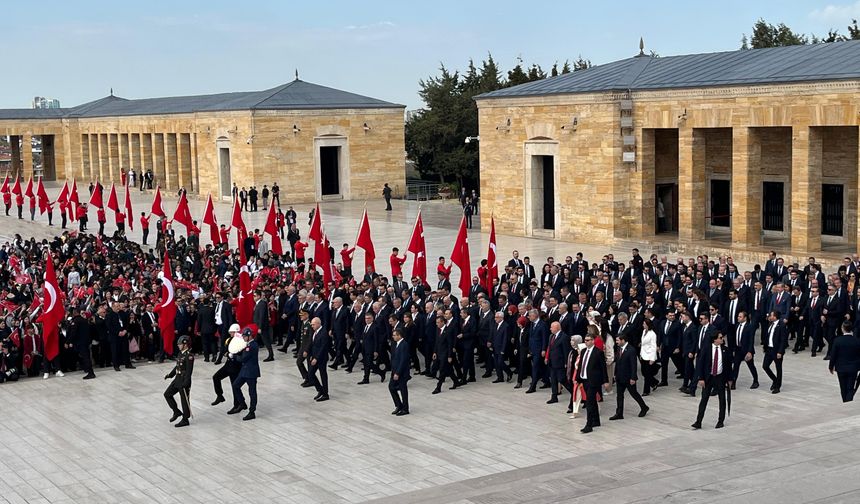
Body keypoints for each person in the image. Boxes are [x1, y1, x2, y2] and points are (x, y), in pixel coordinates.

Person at [691, 332, 731, 430]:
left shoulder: (725, 350)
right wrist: (701, 378)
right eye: (720, 338)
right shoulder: (706, 349)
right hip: (708, 378)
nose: (722, 339)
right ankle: (698, 421)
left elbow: (728, 365)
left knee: (722, 399)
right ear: (715, 339)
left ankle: (720, 421)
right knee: (704, 399)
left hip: (720, 377)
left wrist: (730, 379)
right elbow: (700, 364)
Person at [610, 332, 649, 420]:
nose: (616, 342)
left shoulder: (631, 350)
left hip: (628, 377)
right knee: (619, 395)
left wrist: (633, 377)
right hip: (620, 376)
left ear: (623, 340)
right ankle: (619, 413)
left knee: (634, 393)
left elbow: (633, 365)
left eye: (617, 340)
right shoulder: (619, 348)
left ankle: (644, 407)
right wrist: (615, 374)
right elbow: (618, 362)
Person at [576, 332, 609, 433]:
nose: (586, 342)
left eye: (588, 340)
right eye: (585, 340)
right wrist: (578, 378)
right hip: (584, 379)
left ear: (592, 341)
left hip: (593, 381)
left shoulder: (598, 352)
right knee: (592, 401)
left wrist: (606, 381)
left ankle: (589, 424)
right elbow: (581, 365)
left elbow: (603, 367)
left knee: (589, 402)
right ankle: (596, 421)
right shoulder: (583, 351)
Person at [163, 335, 194, 428]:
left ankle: (185, 419)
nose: (178, 346)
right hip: (177, 379)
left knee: (184, 400)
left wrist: (186, 382)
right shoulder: (181, 353)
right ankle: (176, 412)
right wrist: (170, 375)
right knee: (167, 394)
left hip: (184, 380)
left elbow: (189, 371)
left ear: (185, 344)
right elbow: (177, 366)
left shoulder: (189, 356)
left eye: (180, 344)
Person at [230, 327, 259, 421]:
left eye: (244, 336)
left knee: (252, 392)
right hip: (245, 371)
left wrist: (234, 356)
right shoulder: (248, 345)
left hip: (251, 372)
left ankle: (252, 412)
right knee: (235, 385)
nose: (243, 337)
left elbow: (243, 358)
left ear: (249, 336)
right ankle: (242, 403)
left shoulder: (252, 346)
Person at [829, 320, 860, 402]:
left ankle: (845, 401)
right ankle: (848, 401)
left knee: (843, 387)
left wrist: (831, 366)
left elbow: (833, 355)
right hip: (853, 368)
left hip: (841, 368)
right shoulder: (857, 341)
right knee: (850, 388)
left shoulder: (837, 340)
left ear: (842, 329)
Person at [211, 323, 242, 407]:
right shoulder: (228, 340)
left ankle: (237, 404)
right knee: (216, 377)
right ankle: (220, 395)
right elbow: (224, 350)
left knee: (234, 386)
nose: (230, 333)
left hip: (235, 366)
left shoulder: (240, 341)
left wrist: (232, 354)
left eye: (232, 332)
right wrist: (227, 353)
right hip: (228, 365)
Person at [546, 321, 571, 403]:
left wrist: (566, 363)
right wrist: (547, 357)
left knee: (562, 379)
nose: (550, 329)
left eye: (551, 327)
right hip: (552, 362)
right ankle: (554, 396)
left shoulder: (564, 337)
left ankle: (573, 392)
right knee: (553, 380)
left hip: (560, 363)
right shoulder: (551, 336)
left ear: (556, 328)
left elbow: (566, 351)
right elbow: (550, 348)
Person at [762, 310, 787, 394]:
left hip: (777, 350)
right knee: (765, 366)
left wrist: (780, 351)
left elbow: (783, 340)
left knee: (778, 368)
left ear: (776, 316)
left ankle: (777, 386)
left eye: (772, 315)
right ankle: (775, 380)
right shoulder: (770, 324)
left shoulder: (781, 325)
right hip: (769, 349)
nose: (770, 317)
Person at [308, 316, 331, 402]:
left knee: (323, 375)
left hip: (321, 358)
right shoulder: (315, 332)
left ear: (318, 324)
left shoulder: (323, 333)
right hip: (315, 357)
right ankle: (320, 390)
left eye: (313, 324)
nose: (312, 326)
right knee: (310, 374)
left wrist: (316, 358)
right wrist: (311, 355)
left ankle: (325, 394)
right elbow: (313, 344)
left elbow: (323, 347)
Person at [390, 327, 411, 415]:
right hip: (395, 370)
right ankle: (399, 405)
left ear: (399, 336)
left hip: (401, 372)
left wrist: (398, 373)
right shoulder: (396, 344)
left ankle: (405, 409)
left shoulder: (404, 345)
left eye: (394, 335)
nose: (393, 337)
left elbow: (403, 360)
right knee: (391, 387)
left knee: (403, 390)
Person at [640, 318, 659, 395]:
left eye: (644, 324)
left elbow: (654, 347)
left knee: (647, 374)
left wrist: (652, 358)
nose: (643, 325)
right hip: (643, 355)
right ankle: (654, 382)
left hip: (649, 356)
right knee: (643, 373)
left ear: (648, 325)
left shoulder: (652, 334)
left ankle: (646, 391)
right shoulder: (644, 331)